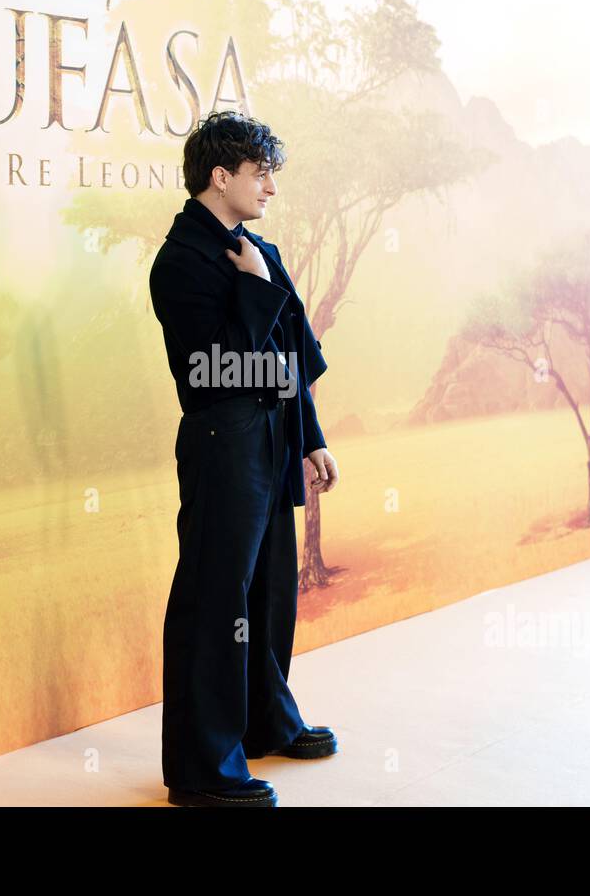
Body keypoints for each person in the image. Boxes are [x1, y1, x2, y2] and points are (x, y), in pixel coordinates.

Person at [148, 110, 340, 807]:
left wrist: (311, 435)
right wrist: (257, 285)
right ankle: (203, 770)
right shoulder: (180, 261)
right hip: (221, 439)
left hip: (271, 436)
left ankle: (265, 720)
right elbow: (211, 370)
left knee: (268, 593)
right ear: (219, 176)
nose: (271, 188)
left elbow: (289, 355)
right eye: (261, 174)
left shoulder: (256, 248)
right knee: (213, 599)